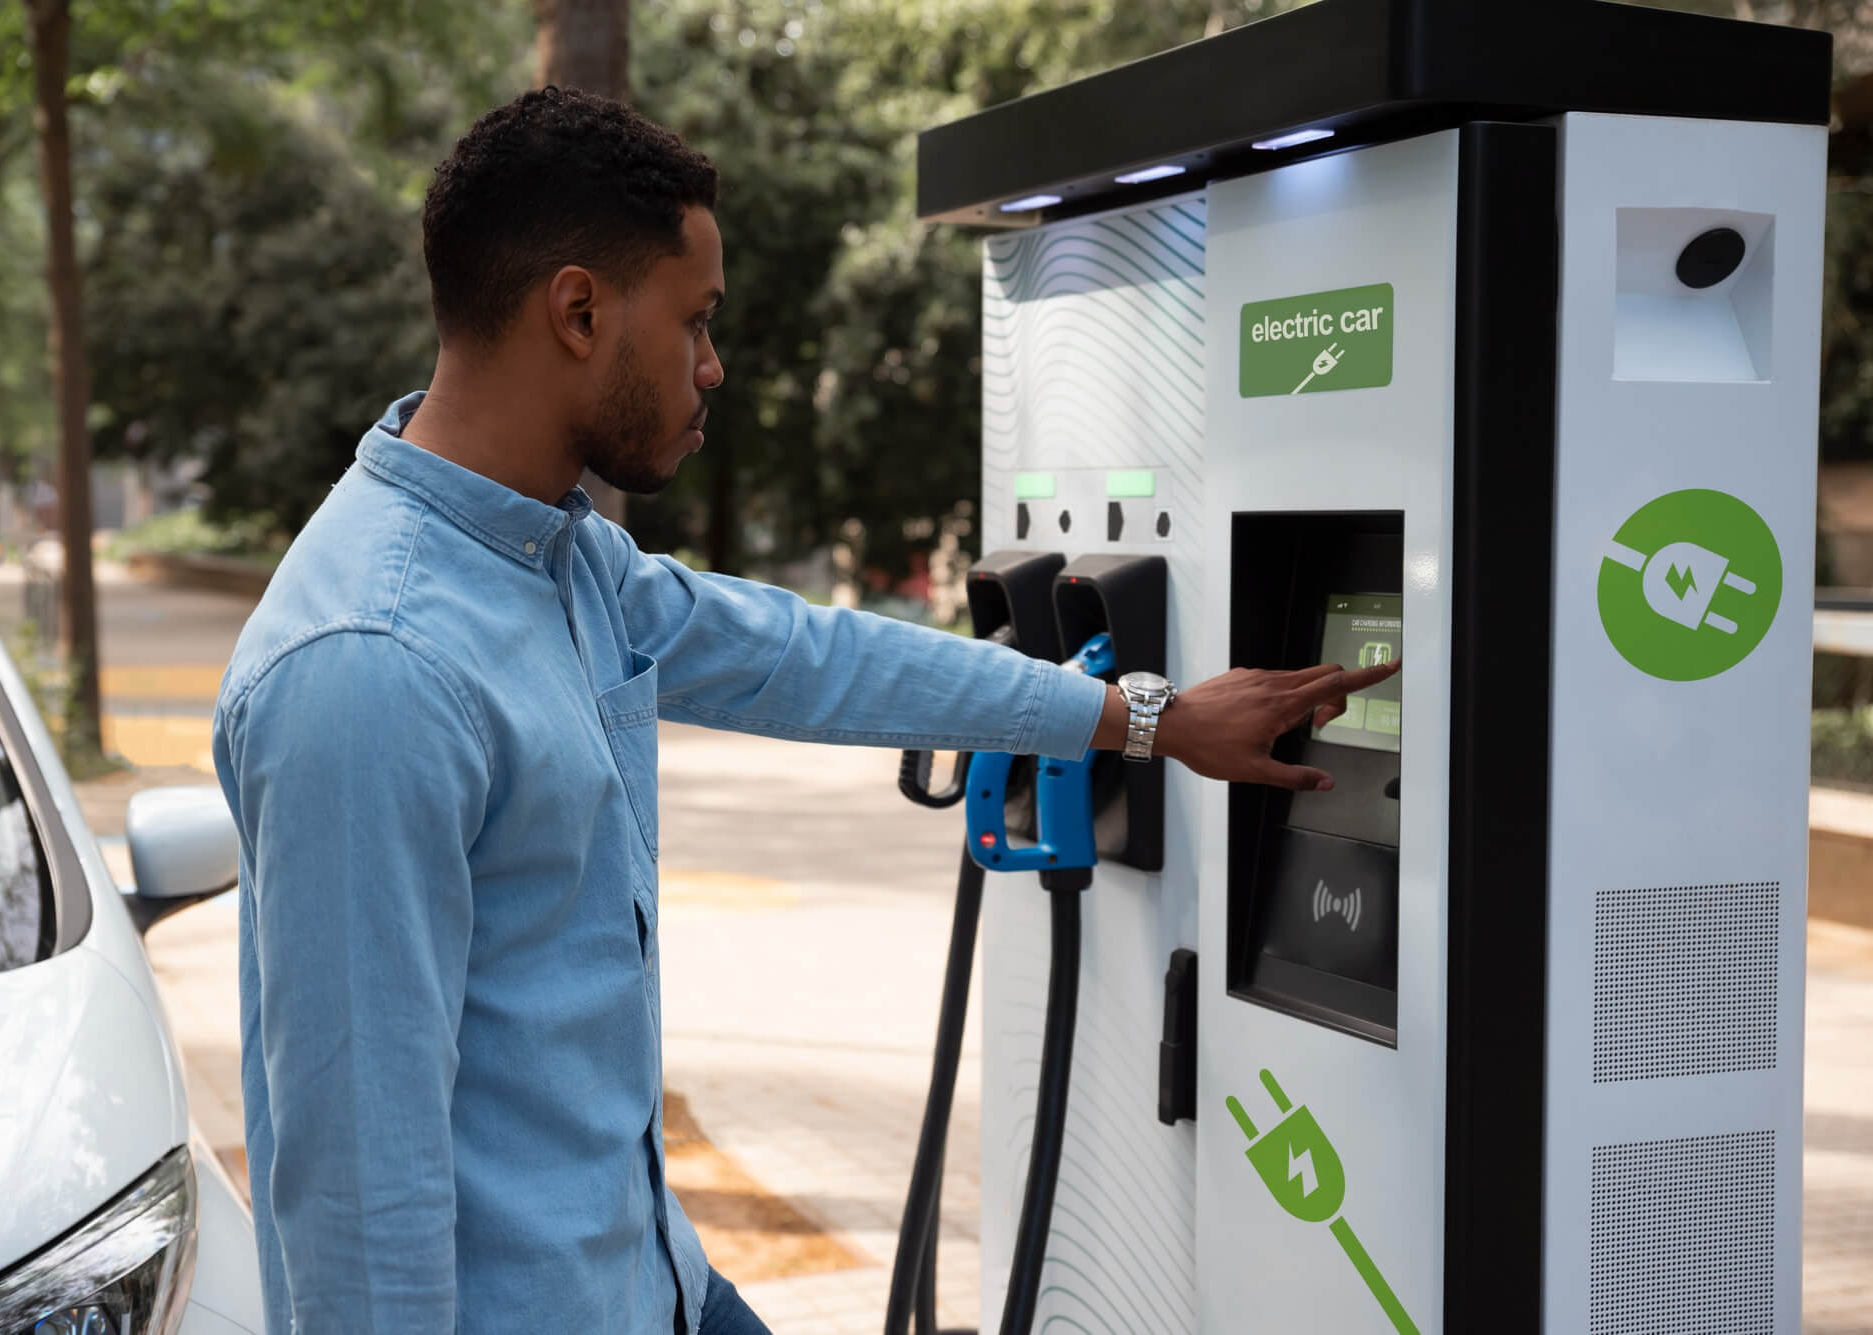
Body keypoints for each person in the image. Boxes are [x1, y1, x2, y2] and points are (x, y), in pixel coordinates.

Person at [211, 86, 1399, 1335]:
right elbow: (357, 1203)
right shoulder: (373, 669)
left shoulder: (556, 560)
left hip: (652, 1281)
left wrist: (1143, 720)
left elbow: (809, 658)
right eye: (695, 320)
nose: (710, 366)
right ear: (578, 312)